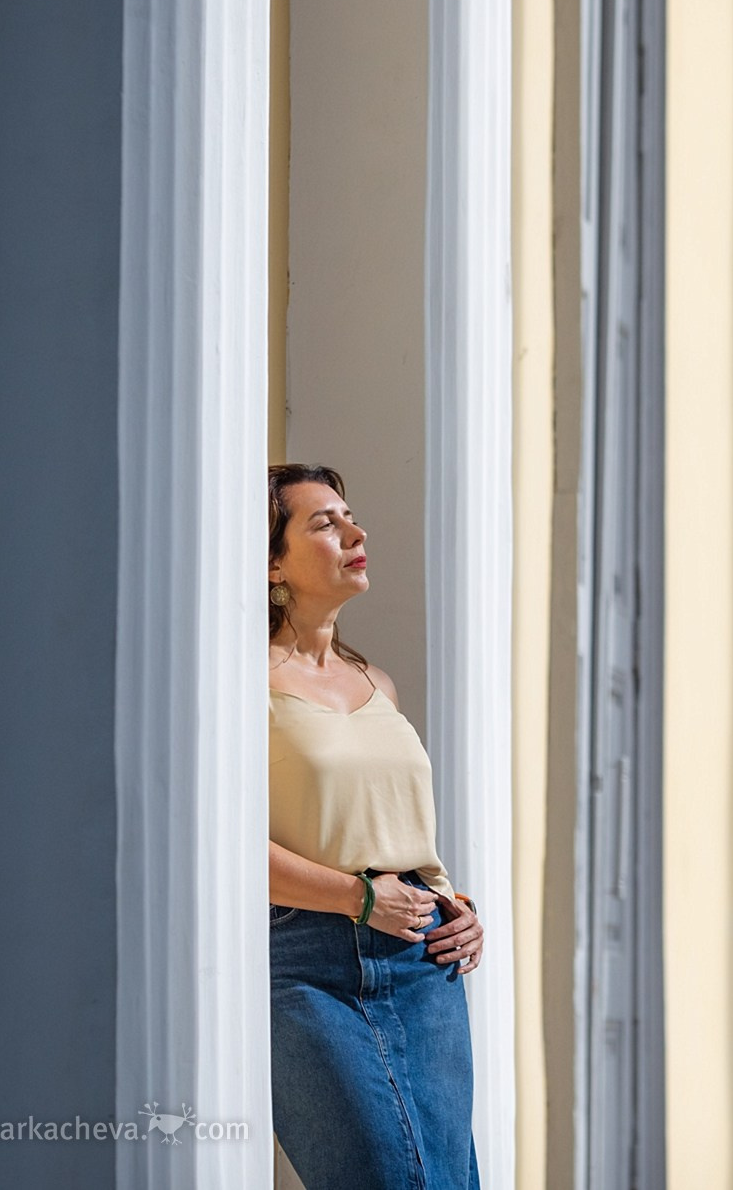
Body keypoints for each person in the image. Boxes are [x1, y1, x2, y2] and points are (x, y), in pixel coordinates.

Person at [265, 463, 483, 1189]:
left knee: (451, 1179)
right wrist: (357, 898)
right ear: (272, 561)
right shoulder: (242, 680)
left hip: (426, 964)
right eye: (324, 523)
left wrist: (459, 906)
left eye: (350, 517)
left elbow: (398, 825)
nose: (355, 533)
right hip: (309, 962)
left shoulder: (375, 683)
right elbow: (221, 845)